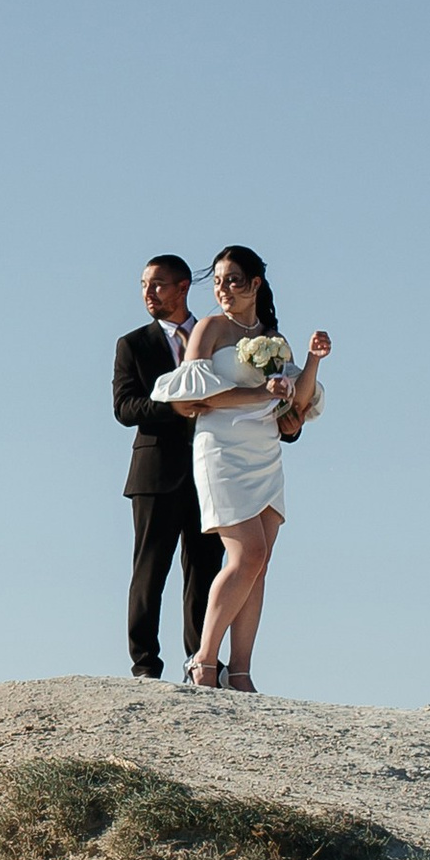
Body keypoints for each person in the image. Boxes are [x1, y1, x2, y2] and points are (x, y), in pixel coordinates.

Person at [149, 245, 330, 692]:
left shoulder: (273, 338)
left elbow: (298, 403)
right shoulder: (209, 328)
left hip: (265, 450)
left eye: (232, 280)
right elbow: (187, 398)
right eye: (217, 281)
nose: (223, 289)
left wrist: (312, 361)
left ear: (255, 284)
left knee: (260, 561)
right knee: (245, 552)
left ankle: (242, 671)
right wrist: (258, 397)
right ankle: (205, 661)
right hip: (221, 449)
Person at [112, 257, 217, 681]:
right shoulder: (133, 344)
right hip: (155, 473)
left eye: (157, 285)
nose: (148, 293)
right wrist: (173, 407)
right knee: (150, 569)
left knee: (206, 569)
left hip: (212, 470)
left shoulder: (216, 338)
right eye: (143, 285)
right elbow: (124, 408)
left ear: (183, 287)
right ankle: (145, 666)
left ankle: (201, 662)